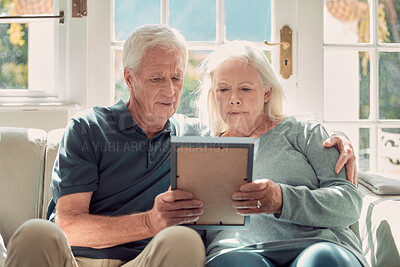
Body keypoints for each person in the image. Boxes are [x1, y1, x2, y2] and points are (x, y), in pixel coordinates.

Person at [4, 25, 356, 267]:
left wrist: (336, 141)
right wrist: (149, 221)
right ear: (129, 78)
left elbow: (253, 126)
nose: (171, 91)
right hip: (77, 257)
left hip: (150, 259)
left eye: (176, 78)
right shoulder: (90, 128)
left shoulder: (192, 135)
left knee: (184, 241)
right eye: (157, 78)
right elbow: (68, 225)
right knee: (37, 232)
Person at [196, 41, 367, 267]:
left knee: (321, 261)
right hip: (238, 251)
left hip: (317, 245)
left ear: (267, 92)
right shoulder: (201, 146)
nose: (233, 98)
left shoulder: (305, 133)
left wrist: (282, 199)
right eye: (223, 89)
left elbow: (349, 205)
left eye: (245, 88)